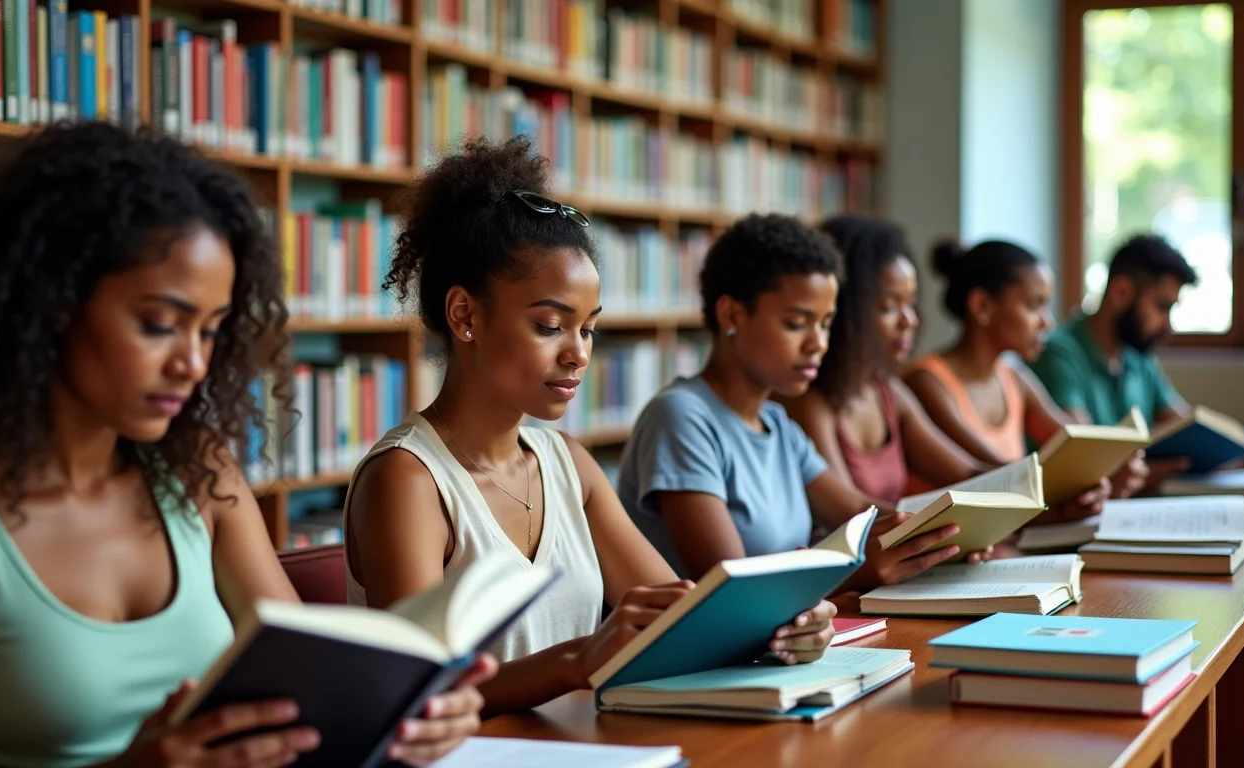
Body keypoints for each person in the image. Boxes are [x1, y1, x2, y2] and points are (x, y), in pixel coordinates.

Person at [0, 122, 489, 768]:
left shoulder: (199, 477)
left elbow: (309, 692)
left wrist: (411, 716)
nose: (192, 363)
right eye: (159, 325)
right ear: (51, 304)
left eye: (212, 331)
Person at [342, 137, 836, 716]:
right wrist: (577, 660)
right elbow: (419, 691)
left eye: (589, 329)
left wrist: (784, 625)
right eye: (551, 326)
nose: (578, 354)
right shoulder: (408, 480)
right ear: (465, 315)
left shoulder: (566, 462)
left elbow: (685, 616)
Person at [617, 213, 976, 588]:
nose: (818, 343)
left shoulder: (777, 425)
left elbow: (856, 511)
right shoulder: (680, 417)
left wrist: (950, 538)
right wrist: (853, 573)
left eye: (824, 324)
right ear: (732, 315)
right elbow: (728, 589)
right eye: (797, 323)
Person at [781, 215, 992, 514]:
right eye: (889, 306)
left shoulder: (888, 391)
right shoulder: (810, 402)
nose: (910, 320)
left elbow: (967, 474)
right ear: (843, 309)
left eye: (911, 303)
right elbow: (851, 517)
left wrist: (1044, 492)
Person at [904, 239, 1142, 501]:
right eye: (1033, 305)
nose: (1046, 322)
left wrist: (1114, 463)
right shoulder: (926, 382)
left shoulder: (1015, 378)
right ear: (982, 306)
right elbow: (991, 474)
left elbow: (1070, 439)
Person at [1028, 233, 1196, 487]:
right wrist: (1155, 471)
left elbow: (1185, 425)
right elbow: (1081, 460)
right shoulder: (1058, 353)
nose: (1167, 326)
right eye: (1162, 307)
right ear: (1120, 292)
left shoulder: (1139, 357)